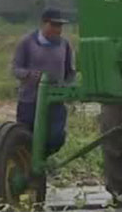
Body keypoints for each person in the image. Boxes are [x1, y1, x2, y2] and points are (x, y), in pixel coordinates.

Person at [11, 8, 76, 156]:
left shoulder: (65, 45)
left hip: (55, 100)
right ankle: (28, 165)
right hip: (30, 99)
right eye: (54, 25)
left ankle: (41, 159)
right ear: (44, 24)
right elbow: (16, 68)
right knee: (26, 136)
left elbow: (70, 72)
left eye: (60, 26)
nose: (57, 30)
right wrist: (30, 75)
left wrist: (66, 87)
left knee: (56, 138)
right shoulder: (27, 43)